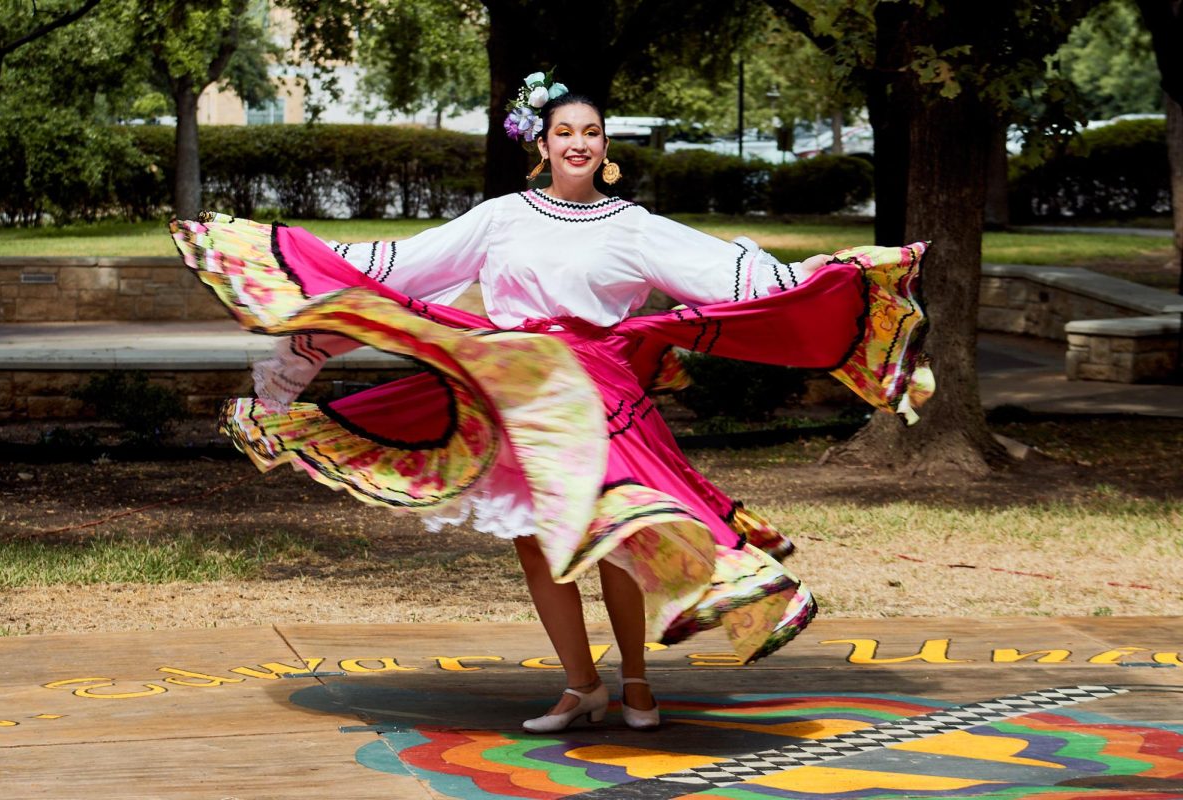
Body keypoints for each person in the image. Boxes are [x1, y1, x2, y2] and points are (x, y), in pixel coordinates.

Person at [171, 72, 932, 735]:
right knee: (542, 546)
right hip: (514, 392)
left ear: (605, 146)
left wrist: (813, 273)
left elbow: (729, 276)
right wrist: (315, 274)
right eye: (564, 131)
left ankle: (635, 681)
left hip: (602, 396)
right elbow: (407, 266)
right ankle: (582, 684)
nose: (578, 143)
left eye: (591, 132)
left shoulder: (633, 226)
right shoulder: (502, 216)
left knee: (617, 538)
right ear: (542, 143)